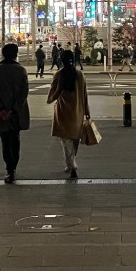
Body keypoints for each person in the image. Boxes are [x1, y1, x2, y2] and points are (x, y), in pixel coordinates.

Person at [0, 43, 31, 183]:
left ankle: (9, 169)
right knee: (15, 139)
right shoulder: (21, 71)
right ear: (16, 54)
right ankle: (13, 167)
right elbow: (24, 93)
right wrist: (13, 109)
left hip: (1, 114)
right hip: (16, 113)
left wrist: (1, 110)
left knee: (5, 141)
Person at [46, 50, 90, 179]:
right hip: (78, 111)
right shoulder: (80, 75)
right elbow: (84, 95)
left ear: (61, 60)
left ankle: (71, 165)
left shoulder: (59, 75)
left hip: (62, 112)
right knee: (75, 138)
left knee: (65, 141)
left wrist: (58, 88)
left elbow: (50, 98)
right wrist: (87, 112)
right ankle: (71, 163)